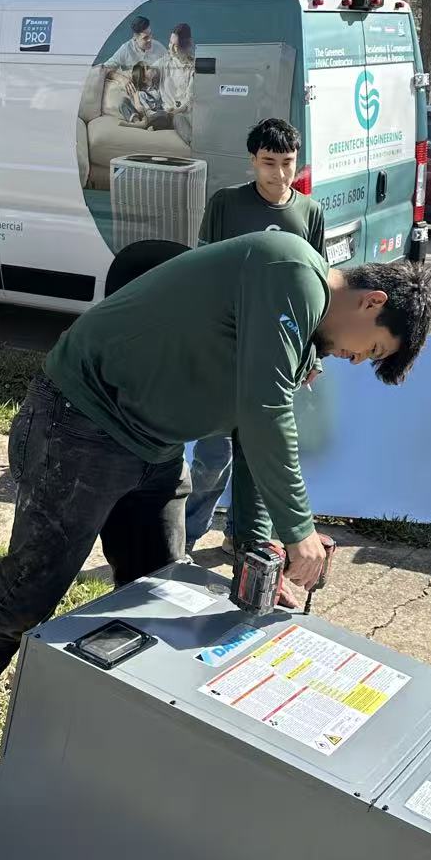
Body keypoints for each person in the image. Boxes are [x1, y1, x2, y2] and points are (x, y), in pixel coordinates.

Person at [0, 233, 431, 860]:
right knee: (23, 599)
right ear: (371, 303)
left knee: (160, 604)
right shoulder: (291, 271)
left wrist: (260, 548)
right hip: (80, 423)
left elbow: (252, 435)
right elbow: (265, 410)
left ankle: (116, 754)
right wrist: (299, 530)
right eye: (372, 350)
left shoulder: (301, 335)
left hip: (154, 450)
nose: (355, 359)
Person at [185, 116, 326, 552]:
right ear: (252, 160)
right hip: (226, 351)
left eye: (288, 162)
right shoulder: (226, 203)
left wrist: (313, 355)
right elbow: (203, 273)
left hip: (277, 358)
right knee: (212, 457)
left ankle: (244, 540)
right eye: (269, 162)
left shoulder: (310, 213)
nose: (279, 174)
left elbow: (317, 291)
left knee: (260, 456)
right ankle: (183, 538)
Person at [140, 22, 195, 145]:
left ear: (187, 44)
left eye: (175, 45)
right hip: (164, 112)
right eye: (170, 43)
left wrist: (175, 112)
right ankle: (148, 123)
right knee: (159, 114)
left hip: (182, 114)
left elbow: (189, 102)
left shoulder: (193, 68)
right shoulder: (165, 62)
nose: (170, 48)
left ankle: (194, 144)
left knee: (178, 119)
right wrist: (149, 73)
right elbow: (150, 72)